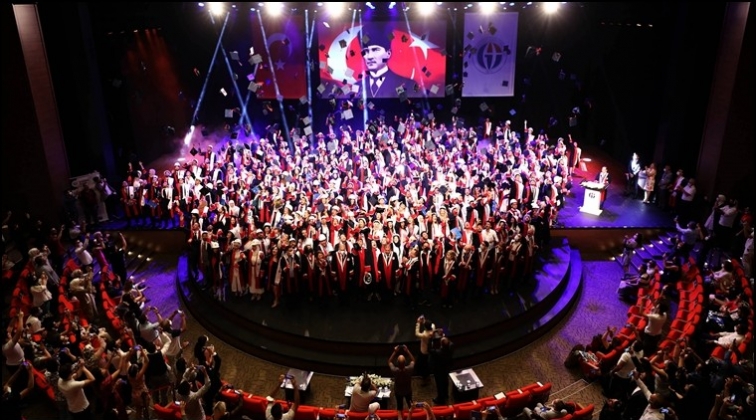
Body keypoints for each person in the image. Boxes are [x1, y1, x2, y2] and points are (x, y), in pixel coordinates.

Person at [359, 25, 414, 98]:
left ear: (388, 54)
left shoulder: (404, 84)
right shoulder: (357, 87)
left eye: (375, 50)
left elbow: (405, 104)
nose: (369, 57)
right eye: (366, 51)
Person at [388, 344, 415, 415]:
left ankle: (400, 417)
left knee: (399, 407)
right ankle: (412, 416)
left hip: (398, 391)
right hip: (408, 390)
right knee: (410, 405)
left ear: (397, 363)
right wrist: (407, 351)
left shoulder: (395, 370)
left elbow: (389, 362)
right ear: (405, 362)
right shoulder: (409, 369)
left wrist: (395, 352)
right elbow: (413, 360)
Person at [429, 335, 453, 405]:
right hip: (446, 369)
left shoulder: (437, 353)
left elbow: (429, 349)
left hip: (439, 371)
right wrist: (444, 335)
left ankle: (440, 399)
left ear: (441, 345)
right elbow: (450, 342)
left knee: (439, 385)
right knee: (445, 381)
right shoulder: (450, 348)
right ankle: (446, 395)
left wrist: (430, 338)